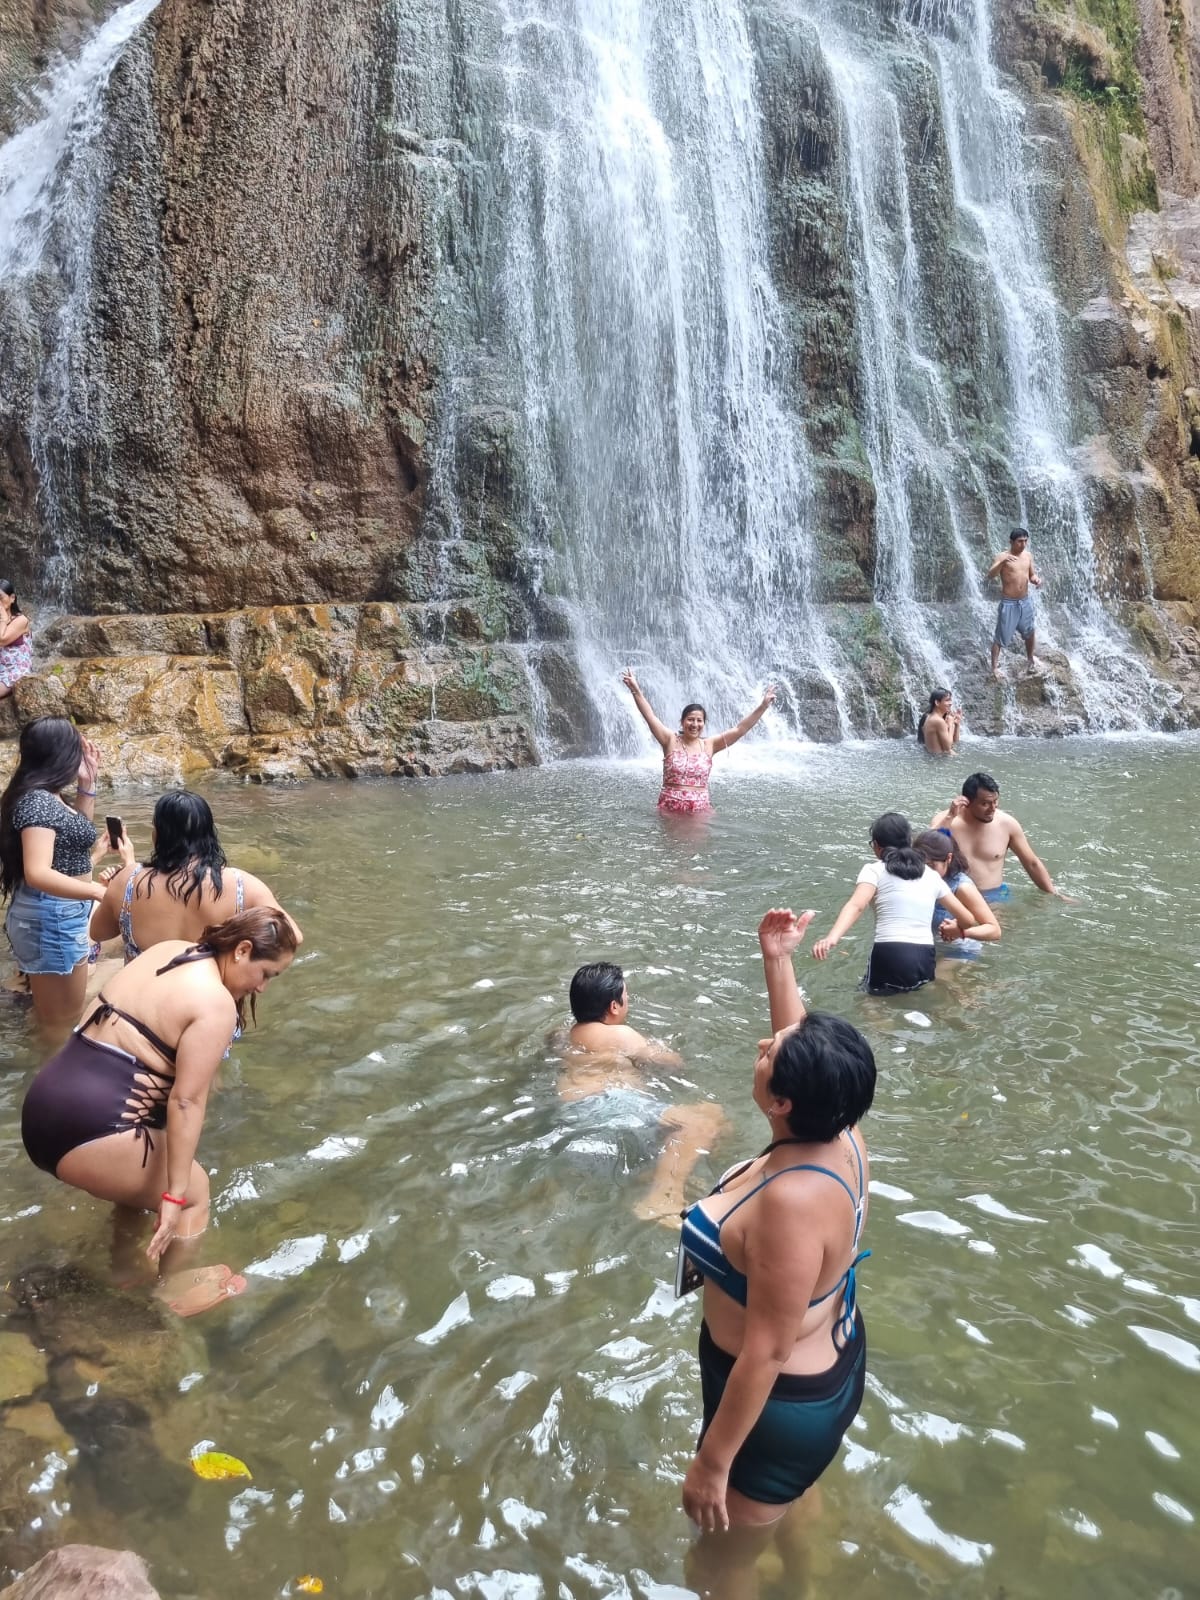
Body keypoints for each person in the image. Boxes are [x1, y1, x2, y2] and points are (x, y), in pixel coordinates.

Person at [676, 909, 874, 1596]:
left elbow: (766, 1350)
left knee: (717, 1562)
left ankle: (786, 1577)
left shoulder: (791, 1203)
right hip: (824, 1369)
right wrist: (778, 959)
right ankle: (804, 1580)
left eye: (767, 1055)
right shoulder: (840, 1130)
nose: (762, 1043)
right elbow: (799, 1043)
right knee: (782, 1507)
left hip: (777, 1403)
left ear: (783, 1100)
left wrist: (712, 1463)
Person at [20, 906, 298, 1316]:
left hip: (44, 1104)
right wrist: (175, 1195)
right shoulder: (215, 1004)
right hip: (91, 1127)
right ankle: (168, 1295)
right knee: (195, 1194)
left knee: (143, 1172)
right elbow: (186, 1101)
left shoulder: (169, 951)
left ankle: (124, 1270)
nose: (262, 989)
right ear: (241, 950)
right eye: (267, 974)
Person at [563, 962, 725, 1222]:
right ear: (614, 1006)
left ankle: (659, 1172)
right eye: (626, 996)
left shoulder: (564, 1034)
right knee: (701, 1124)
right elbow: (672, 1063)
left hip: (580, 1106)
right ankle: (662, 1197)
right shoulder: (619, 1034)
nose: (628, 1000)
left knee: (712, 1112)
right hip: (607, 1102)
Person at [90, 789, 303, 962]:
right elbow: (293, 936)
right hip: (207, 1003)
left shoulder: (127, 881)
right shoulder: (242, 885)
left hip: (141, 1006)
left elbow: (98, 933)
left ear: (158, 835)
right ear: (209, 835)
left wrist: (120, 886)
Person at [1, 716, 112, 1038]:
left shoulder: (45, 795)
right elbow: (37, 873)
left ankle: (46, 1067)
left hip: (61, 915)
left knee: (61, 1016)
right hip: (52, 919)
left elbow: (76, 837)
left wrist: (87, 784)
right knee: (59, 1026)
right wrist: (96, 892)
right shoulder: (37, 802)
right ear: (62, 754)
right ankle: (46, 1078)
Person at [811, 813, 986, 994]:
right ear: (909, 841)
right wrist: (957, 927)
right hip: (925, 958)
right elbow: (968, 919)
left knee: (873, 1007)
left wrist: (832, 938)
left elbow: (857, 905)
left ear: (877, 847)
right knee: (916, 1003)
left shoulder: (874, 870)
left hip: (889, 952)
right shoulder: (931, 875)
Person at [621, 670, 776, 814]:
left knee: (698, 845)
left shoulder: (709, 744)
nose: (694, 724)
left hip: (699, 811)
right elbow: (650, 716)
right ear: (682, 722)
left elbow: (740, 729)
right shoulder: (669, 739)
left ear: (703, 723)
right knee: (669, 844)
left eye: (699, 720)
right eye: (690, 720)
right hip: (669, 809)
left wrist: (763, 706)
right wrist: (635, 689)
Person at [931, 772, 1071, 903]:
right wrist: (950, 817)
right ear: (966, 802)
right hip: (956, 895)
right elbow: (928, 851)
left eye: (995, 801)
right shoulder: (947, 822)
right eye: (985, 804)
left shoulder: (1007, 824)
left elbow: (1031, 863)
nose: (992, 808)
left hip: (994, 894)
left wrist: (1054, 893)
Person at [913, 829, 1000, 960]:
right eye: (920, 865)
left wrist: (962, 932)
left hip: (959, 949)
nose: (925, 872)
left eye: (931, 866)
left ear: (948, 858)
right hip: (926, 947)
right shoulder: (914, 877)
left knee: (940, 978)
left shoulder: (962, 887)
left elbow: (994, 930)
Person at [987, 528, 1042, 679]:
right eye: (1020, 541)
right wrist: (1002, 562)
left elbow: (1031, 575)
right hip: (1009, 603)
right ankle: (994, 668)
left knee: (1030, 632)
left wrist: (1036, 580)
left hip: (1025, 601)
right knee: (1001, 637)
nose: (1023, 544)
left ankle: (1030, 659)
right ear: (1011, 542)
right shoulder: (1003, 557)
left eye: (1025, 541)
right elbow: (990, 574)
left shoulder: (1028, 556)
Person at [0, 580, 32, 699]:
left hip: (14, 673)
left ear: (12, 598)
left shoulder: (21, 620)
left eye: (0, 597)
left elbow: (2, 640)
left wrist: (3, 618)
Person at [916, 687, 961, 754]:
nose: (951, 703)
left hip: (937, 759)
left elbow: (954, 743)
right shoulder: (938, 721)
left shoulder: (933, 717)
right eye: (947, 700)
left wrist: (957, 725)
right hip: (939, 760)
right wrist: (950, 725)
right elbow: (948, 748)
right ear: (937, 702)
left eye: (950, 700)